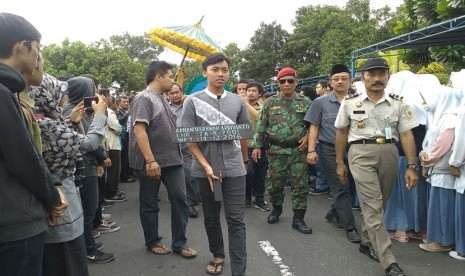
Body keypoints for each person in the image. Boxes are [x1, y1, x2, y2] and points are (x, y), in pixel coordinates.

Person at [334, 58, 419, 276]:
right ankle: (388, 261)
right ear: (362, 78)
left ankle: (365, 241)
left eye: (382, 73)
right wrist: (340, 162)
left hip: (389, 152)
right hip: (360, 153)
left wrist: (411, 166)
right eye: (371, 74)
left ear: (388, 77)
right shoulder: (350, 102)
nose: (377, 78)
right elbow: (342, 132)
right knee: (372, 206)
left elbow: (407, 134)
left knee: (379, 204)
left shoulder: (398, 103)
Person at [0, 13, 67, 276]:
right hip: (14, 221)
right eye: (37, 50)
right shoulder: (4, 93)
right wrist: (53, 198)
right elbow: (23, 159)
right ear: (22, 47)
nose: (38, 58)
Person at [30, 73, 109, 275]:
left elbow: (63, 139)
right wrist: (100, 115)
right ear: (48, 95)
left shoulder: (45, 119)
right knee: (66, 252)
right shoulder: (46, 123)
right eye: (60, 92)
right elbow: (88, 144)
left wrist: (71, 121)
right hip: (60, 190)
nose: (64, 97)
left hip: (59, 188)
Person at [179, 53, 249, 275]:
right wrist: (206, 166)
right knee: (211, 216)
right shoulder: (193, 101)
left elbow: (245, 133)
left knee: (236, 220)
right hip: (204, 171)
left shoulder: (238, 101)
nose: (221, 74)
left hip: (235, 169)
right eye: (215, 69)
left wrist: (244, 162)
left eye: (225, 70)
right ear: (205, 72)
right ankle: (217, 254)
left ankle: (239, 270)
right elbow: (188, 138)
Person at [129, 60, 196, 258]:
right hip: (152, 162)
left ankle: (179, 243)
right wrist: (150, 160)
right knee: (149, 203)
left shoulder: (162, 98)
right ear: (158, 77)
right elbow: (139, 129)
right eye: (170, 76)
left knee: (180, 199)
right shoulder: (144, 98)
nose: (172, 80)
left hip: (172, 159)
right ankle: (152, 241)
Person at [251, 67, 312, 234]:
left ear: (296, 82)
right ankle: (276, 209)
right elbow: (261, 125)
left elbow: (313, 125)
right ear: (278, 83)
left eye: (290, 81)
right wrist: (256, 146)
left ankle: (298, 219)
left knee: (300, 185)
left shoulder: (305, 102)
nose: (286, 84)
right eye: (282, 81)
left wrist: (308, 137)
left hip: (298, 150)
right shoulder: (270, 102)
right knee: (274, 184)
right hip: (276, 150)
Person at [305, 64, 361, 243]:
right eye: (336, 79)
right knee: (340, 186)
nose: (340, 82)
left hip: (355, 149)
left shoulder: (360, 100)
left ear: (350, 80)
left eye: (344, 78)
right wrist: (311, 150)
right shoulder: (320, 102)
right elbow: (314, 126)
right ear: (330, 82)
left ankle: (333, 212)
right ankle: (350, 227)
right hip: (328, 149)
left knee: (351, 185)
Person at [62, 76, 116, 263]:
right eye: (91, 90)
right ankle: (88, 250)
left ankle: (88, 244)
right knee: (88, 210)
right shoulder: (72, 112)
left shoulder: (80, 112)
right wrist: (101, 159)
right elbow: (90, 143)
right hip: (84, 167)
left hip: (87, 165)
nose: (95, 95)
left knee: (88, 210)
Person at [419, 87, 461, 252]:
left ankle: (443, 241)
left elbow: (440, 146)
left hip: (443, 168)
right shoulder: (442, 117)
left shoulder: (450, 119)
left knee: (444, 207)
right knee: (441, 205)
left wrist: (427, 160)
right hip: (438, 167)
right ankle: (439, 239)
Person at [167, 83, 201, 218]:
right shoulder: (165, 108)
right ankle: (180, 200)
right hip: (171, 146)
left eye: (177, 92)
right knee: (174, 176)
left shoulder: (190, 104)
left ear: (182, 92)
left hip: (189, 145)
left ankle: (191, 203)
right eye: (171, 93)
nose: (175, 95)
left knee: (190, 174)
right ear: (167, 95)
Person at [243, 81, 270, 211]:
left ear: (259, 93)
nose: (250, 93)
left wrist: (247, 105)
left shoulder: (264, 106)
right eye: (248, 91)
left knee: (260, 173)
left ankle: (259, 199)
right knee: (248, 173)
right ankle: (246, 197)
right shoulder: (239, 105)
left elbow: (262, 119)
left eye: (254, 91)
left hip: (260, 145)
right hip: (244, 146)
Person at [116, 95, 135, 183]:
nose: (126, 103)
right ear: (119, 103)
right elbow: (119, 121)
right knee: (124, 158)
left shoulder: (128, 111)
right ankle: (124, 176)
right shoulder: (118, 111)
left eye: (127, 102)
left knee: (129, 156)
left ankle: (130, 173)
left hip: (130, 135)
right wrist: (128, 113)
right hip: (123, 136)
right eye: (124, 102)